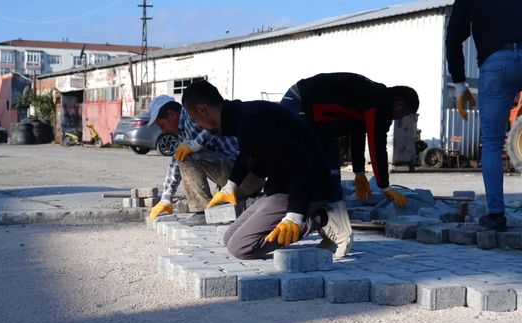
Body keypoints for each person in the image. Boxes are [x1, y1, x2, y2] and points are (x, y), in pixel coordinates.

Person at [181, 80, 348, 259]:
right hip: (281, 187)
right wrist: (231, 186)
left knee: (241, 247)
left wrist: (294, 215)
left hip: (307, 189)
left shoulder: (251, 121)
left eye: (193, 119)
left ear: (202, 110)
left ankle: (322, 218)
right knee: (229, 237)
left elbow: (301, 162)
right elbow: (246, 154)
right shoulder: (242, 116)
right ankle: (314, 215)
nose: (197, 125)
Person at [280, 72, 419, 255]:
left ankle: (333, 229)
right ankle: (324, 225)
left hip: (316, 115)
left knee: (329, 165)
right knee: (309, 162)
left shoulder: (370, 99)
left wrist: (359, 173)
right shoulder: (380, 102)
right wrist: (384, 184)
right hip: (298, 102)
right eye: (403, 114)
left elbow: (358, 133)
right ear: (399, 105)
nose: (398, 119)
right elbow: (377, 143)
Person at [446, 0, 522, 231]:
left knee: (491, 142)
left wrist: (459, 84)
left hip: (496, 63)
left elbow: (453, 38)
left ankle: (496, 216)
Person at [146, 95, 263, 225]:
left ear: (171, 114)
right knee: (183, 154)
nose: (163, 130)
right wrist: (165, 199)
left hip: (246, 176)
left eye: (161, 124)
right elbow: (176, 162)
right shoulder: (181, 132)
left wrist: (196, 144)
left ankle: (201, 212)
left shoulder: (192, 116)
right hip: (234, 182)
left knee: (188, 155)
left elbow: (214, 126)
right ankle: (243, 202)